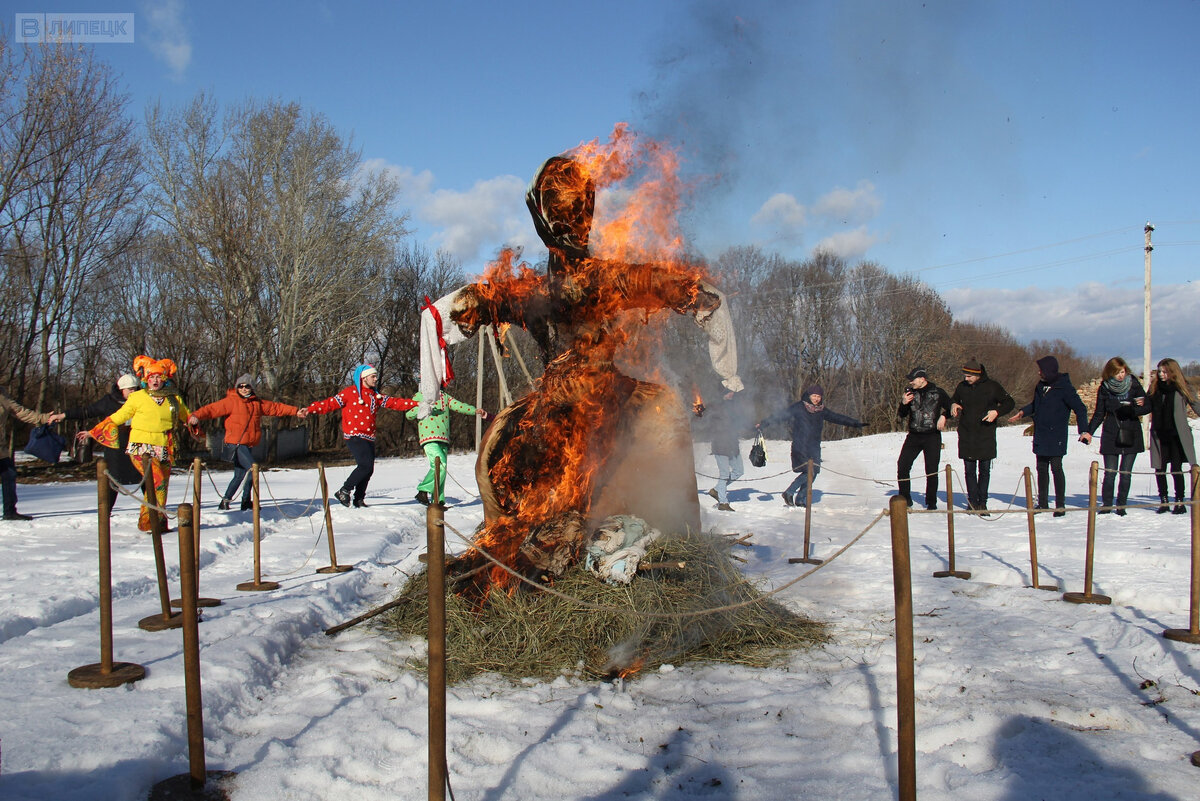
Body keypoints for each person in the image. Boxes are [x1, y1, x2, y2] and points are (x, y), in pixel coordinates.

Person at [80, 358, 193, 532]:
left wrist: (195, 420)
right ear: (145, 379)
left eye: (158, 377)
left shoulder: (173, 398)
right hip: (141, 446)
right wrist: (93, 431)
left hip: (164, 446)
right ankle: (151, 522)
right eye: (151, 377)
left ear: (164, 378)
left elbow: (187, 416)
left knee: (161, 486)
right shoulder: (137, 397)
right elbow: (118, 416)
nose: (154, 380)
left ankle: (155, 522)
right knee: (156, 481)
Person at [189, 374, 307, 511]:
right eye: (241, 386)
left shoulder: (257, 403)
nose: (244, 389)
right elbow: (212, 409)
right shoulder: (231, 401)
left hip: (248, 444)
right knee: (252, 469)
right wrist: (196, 415)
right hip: (236, 443)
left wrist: (295, 411)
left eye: (247, 386)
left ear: (252, 388)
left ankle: (226, 501)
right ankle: (246, 501)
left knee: (240, 475)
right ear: (237, 387)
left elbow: (276, 408)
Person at [304, 365, 416, 507]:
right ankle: (344, 490)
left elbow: (395, 403)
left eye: (376, 376)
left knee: (368, 469)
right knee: (365, 465)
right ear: (363, 378)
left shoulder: (376, 396)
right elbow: (329, 404)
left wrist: (416, 404)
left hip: (369, 436)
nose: (376, 379)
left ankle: (359, 499)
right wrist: (310, 409)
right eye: (373, 376)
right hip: (354, 435)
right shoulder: (349, 393)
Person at [757, 384, 865, 508]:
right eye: (814, 396)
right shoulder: (799, 407)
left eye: (819, 396)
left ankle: (800, 499)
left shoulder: (821, 410)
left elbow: (837, 417)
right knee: (810, 471)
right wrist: (764, 423)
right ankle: (789, 492)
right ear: (809, 396)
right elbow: (781, 415)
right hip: (800, 445)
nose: (816, 399)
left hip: (814, 446)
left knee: (814, 472)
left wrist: (856, 424)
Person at [1008, 355, 1089, 517]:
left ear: (1049, 371)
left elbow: (1080, 408)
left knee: (1056, 468)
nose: (1039, 373)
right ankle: (1043, 503)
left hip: (1056, 434)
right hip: (1041, 433)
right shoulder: (1041, 386)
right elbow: (1036, 405)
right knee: (1041, 468)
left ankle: (1060, 505)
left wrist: (1084, 430)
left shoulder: (1064, 387)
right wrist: (1023, 412)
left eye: (1041, 370)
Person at [64, 373, 142, 512]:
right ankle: (105, 512)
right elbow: (87, 411)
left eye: (135, 389)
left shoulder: (142, 401)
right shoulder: (109, 402)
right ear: (121, 389)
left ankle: (154, 514)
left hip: (138, 446)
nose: (133, 392)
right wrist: (64, 415)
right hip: (115, 449)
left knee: (146, 478)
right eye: (130, 389)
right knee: (112, 480)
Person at [950, 359, 1015, 515]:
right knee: (969, 470)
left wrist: (996, 412)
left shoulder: (992, 387)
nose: (966, 379)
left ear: (977, 375)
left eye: (969, 376)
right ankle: (973, 502)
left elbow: (1009, 402)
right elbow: (953, 399)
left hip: (985, 434)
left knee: (984, 471)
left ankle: (982, 503)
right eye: (965, 376)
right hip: (967, 433)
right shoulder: (962, 387)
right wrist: (953, 404)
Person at [1086, 357, 1149, 516]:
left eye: (1122, 371)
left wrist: (1132, 408)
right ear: (1110, 373)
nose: (1121, 375)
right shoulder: (1105, 388)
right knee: (1110, 472)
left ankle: (1121, 505)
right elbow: (1099, 413)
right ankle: (1107, 505)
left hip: (1131, 431)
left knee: (1125, 472)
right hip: (1112, 432)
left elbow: (1147, 405)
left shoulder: (1133, 383)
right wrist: (1089, 432)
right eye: (1117, 373)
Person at [405, 390, 488, 506]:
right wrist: (423, 407)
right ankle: (423, 490)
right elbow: (409, 414)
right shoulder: (420, 395)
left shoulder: (444, 396)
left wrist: (475, 411)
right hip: (428, 436)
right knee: (440, 464)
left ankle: (437, 500)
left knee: (442, 469)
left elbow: (459, 406)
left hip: (443, 437)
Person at [1147, 357, 1200, 514]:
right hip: (1159, 434)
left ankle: (1179, 501)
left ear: (1172, 372)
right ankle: (1164, 501)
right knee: (1159, 468)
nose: (1161, 375)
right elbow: (1146, 405)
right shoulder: (1154, 388)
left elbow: (1196, 405)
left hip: (1177, 435)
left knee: (1176, 468)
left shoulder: (1183, 387)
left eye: (1164, 371)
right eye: (1159, 372)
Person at [896, 367, 953, 510]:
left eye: (913, 379)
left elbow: (952, 407)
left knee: (931, 470)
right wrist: (903, 403)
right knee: (902, 465)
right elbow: (901, 415)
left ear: (922, 379)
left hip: (932, 436)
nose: (911, 382)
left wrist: (944, 416)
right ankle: (905, 499)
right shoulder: (910, 393)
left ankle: (931, 503)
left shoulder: (938, 392)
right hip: (914, 435)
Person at [0, 391, 61, 520]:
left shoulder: (3, 396)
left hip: (1, 449)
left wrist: (43, 418)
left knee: (9, 475)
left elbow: (21, 412)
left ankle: (10, 512)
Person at [703, 388, 749, 512]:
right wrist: (699, 411)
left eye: (732, 392)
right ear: (722, 393)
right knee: (724, 474)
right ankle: (723, 503)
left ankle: (717, 490)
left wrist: (753, 427)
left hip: (733, 445)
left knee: (739, 471)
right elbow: (703, 415)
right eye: (729, 392)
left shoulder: (733, 405)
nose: (731, 394)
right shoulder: (714, 405)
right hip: (720, 445)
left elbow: (740, 421)